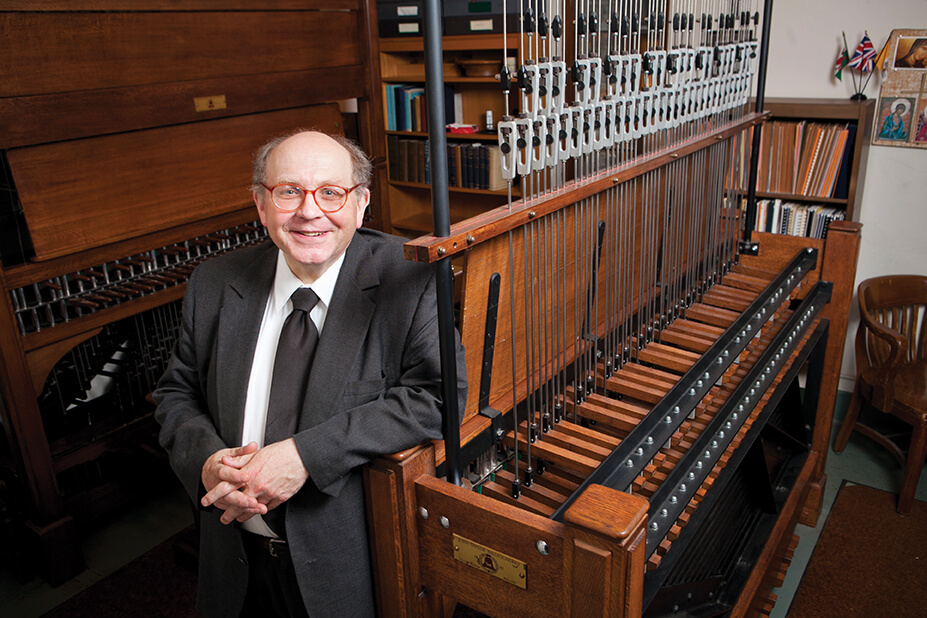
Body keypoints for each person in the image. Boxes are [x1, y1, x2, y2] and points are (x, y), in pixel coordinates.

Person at [154, 130, 467, 617]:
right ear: (261, 204)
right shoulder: (214, 282)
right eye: (288, 191)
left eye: (331, 192)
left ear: (361, 204)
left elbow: (437, 398)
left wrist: (305, 455)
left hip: (346, 568)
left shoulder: (411, 278)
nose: (309, 211)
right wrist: (208, 462)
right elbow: (177, 394)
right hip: (233, 559)